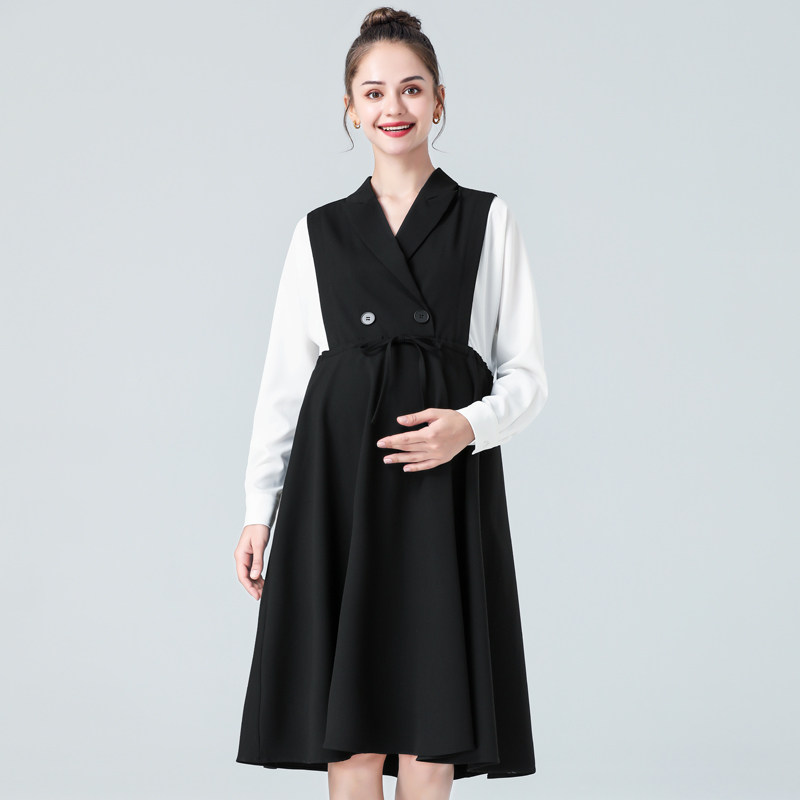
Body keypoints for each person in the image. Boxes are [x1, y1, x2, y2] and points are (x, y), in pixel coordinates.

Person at [233, 7, 549, 799]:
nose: (393, 108)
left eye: (411, 89)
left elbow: (527, 376)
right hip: (338, 487)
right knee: (351, 733)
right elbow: (284, 385)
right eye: (373, 92)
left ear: (440, 100)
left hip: (442, 491)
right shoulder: (319, 233)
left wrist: (467, 427)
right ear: (350, 107)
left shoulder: (486, 220)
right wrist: (258, 510)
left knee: (430, 729)